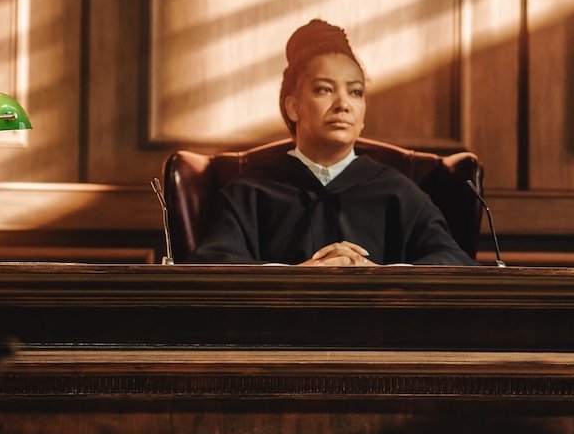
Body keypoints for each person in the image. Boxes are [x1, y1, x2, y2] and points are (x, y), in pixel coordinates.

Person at [187, 19, 476, 267]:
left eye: (355, 92)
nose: (343, 104)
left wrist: (377, 276)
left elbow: (454, 264)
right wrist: (297, 279)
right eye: (324, 90)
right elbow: (212, 271)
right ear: (293, 107)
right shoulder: (249, 193)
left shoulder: (399, 192)